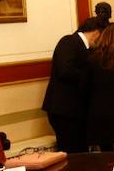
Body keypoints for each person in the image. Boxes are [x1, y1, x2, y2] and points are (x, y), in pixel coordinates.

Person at [42, 17, 102, 153]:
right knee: (71, 153)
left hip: (75, 111)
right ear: (96, 33)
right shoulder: (68, 41)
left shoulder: (86, 48)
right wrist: (90, 77)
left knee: (80, 152)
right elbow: (65, 70)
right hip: (64, 111)